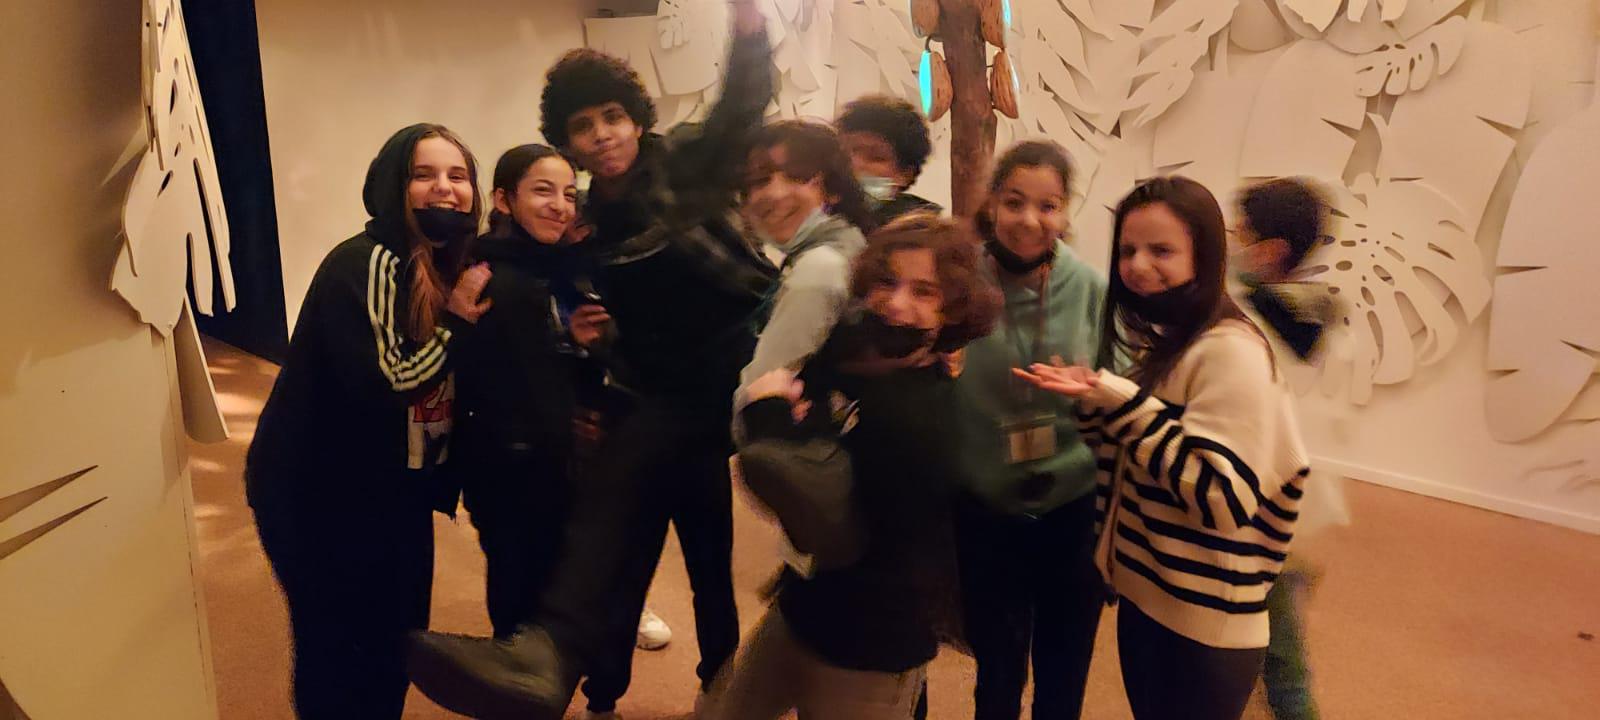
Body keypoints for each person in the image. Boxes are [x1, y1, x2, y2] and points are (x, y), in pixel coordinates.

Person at [405, 4, 777, 718]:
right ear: (568, 142)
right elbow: (610, 323)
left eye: (613, 117)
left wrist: (750, 24)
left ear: (637, 119)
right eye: (583, 126)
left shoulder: (685, 163)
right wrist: (595, 337)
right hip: (663, 386)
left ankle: (578, 656)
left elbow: (741, 105)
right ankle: (560, 659)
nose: (602, 135)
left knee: (696, 546)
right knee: (617, 520)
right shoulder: (590, 227)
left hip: (734, 365)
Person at [1015, 176, 1309, 720]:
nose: (1138, 265)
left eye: (1162, 250)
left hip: (1202, 622)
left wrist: (1120, 401)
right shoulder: (1172, 340)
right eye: (1128, 250)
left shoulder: (1229, 351)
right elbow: (1139, 459)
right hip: (1153, 597)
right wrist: (1094, 401)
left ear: (1204, 254)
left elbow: (1222, 496)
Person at [701, 214, 1003, 720]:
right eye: (887, 281)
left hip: (873, 644)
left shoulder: (922, 418)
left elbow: (824, 520)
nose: (896, 303)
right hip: (803, 605)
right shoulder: (853, 354)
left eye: (924, 291)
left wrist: (771, 417)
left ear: (952, 309)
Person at [244, 123, 491, 718]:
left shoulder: (449, 264)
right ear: (393, 187)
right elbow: (390, 383)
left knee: (393, 641)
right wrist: (456, 326)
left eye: (457, 175)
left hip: (390, 490)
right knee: (338, 650)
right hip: (316, 492)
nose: (444, 188)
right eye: (423, 174)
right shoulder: (371, 262)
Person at [954, 140, 1107, 720]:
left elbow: (1118, 384)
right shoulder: (960, 281)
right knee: (997, 666)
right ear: (992, 202)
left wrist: (1091, 388)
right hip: (986, 506)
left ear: (1065, 212)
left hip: (1072, 504)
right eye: (1014, 201)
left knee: (1064, 668)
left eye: (1048, 206)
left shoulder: (1089, 287)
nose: (1029, 220)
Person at [445, 144, 594, 642]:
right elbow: (497, 381)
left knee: (539, 587)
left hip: (541, 457)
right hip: (513, 464)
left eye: (569, 194)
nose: (560, 206)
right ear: (504, 200)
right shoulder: (492, 276)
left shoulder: (544, 269)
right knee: (520, 593)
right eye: (543, 191)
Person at [1234, 176, 1344, 720]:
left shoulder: (1253, 317)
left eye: (1240, 231)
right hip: (1292, 500)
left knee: (1282, 661)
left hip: (1262, 502)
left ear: (1270, 250)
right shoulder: (1315, 310)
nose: (1232, 239)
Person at [835, 94, 941, 225]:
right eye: (844, 154)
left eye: (875, 158)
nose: (855, 164)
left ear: (905, 174)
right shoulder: (820, 219)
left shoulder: (921, 232)